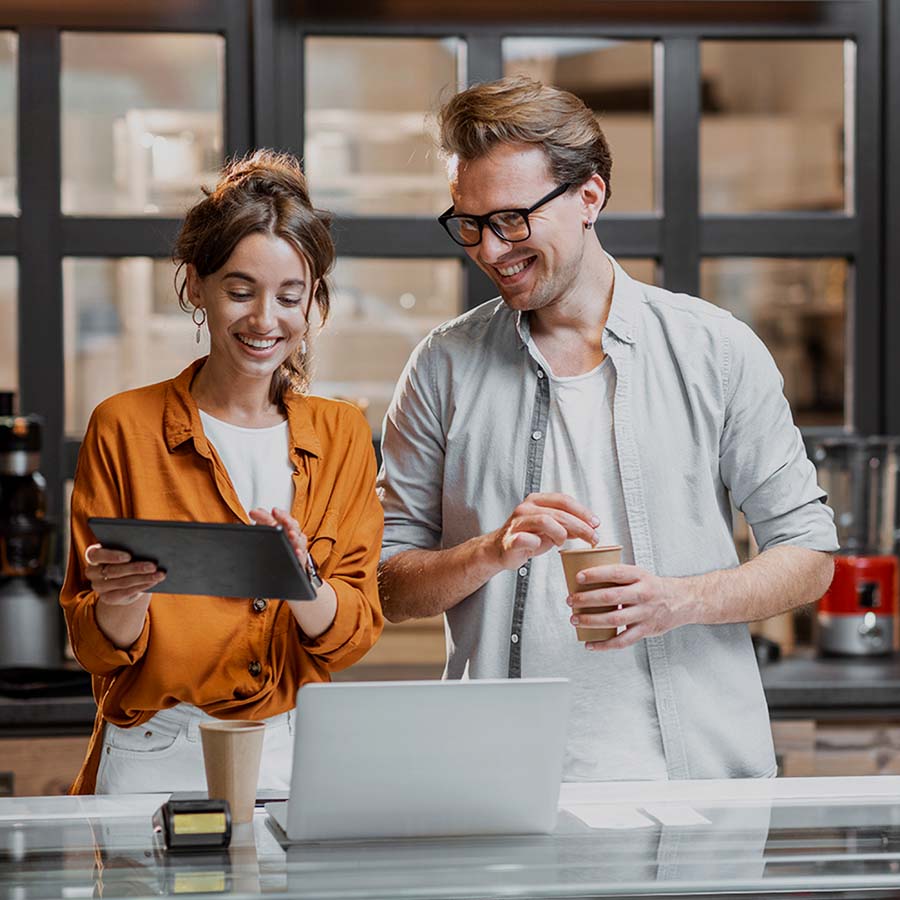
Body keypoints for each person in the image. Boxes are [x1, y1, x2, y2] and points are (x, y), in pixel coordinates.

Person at [377, 76, 838, 781]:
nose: (490, 250)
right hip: (499, 785)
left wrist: (678, 600)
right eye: (469, 223)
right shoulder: (443, 366)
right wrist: (487, 552)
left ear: (589, 197)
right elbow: (386, 582)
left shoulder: (714, 349)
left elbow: (809, 554)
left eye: (512, 220)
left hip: (695, 786)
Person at [60, 150, 383, 794]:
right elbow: (94, 648)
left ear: (313, 301)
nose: (265, 320)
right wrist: (124, 597)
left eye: (289, 297)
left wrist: (301, 580)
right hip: (154, 748)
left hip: (291, 749)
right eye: (240, 292)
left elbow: (350, 639)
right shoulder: (123, 426)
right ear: (195, 287)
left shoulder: (342, 432)